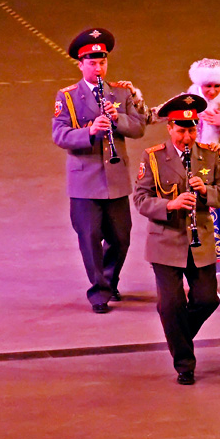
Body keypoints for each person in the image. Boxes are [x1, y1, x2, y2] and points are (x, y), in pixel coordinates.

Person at [120, 59, 220, 298]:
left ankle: (208, 282)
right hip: (183, 169)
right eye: (208, 86)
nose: (212, 91)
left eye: (217, 86)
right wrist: (135, 96)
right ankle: (200, 282)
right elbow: (149, 116)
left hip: (213, 169)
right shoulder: (184, 101)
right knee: (194, 224)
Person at [132, 94, 220, 385]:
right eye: (181, 130)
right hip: (165, 241)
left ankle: (177, 336)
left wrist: (206, 192)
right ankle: (184, 364)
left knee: (206, 299)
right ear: (170, 128)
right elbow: (140, 200)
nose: (187, 137)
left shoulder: (210, 155)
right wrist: (170, 206)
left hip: (199, 241)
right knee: (170, 305)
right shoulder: (152, 157)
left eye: (191, 130)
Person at [51, 27, 147, 313]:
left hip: (116, 180)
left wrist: (118, 120)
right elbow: (60, 135)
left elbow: (139, 127)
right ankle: (99, 292)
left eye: (102, 62)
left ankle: (109, 279)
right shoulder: (67, 96)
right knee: (90, 238)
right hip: (85, 182)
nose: (98, 67)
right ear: (81, 65)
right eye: (92, 63)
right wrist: (90, 131)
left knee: (121, 237)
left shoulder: (120, 92)